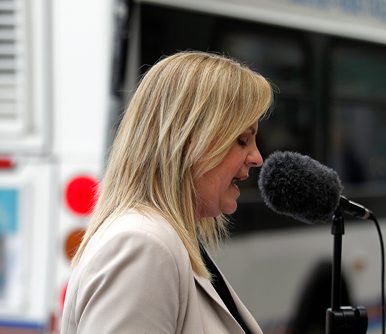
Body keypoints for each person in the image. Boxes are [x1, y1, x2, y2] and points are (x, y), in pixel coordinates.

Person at [60, 51, 274, 333]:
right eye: (242, 139)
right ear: (189, 141)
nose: (257, 157)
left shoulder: (163, 239)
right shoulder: (143, 245)